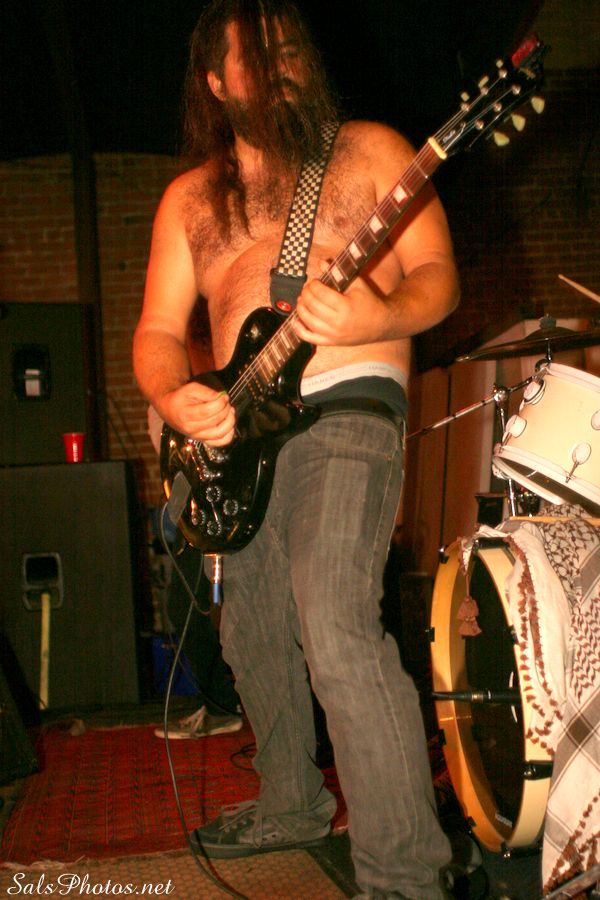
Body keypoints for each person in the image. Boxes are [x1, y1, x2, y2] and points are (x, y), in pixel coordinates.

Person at [133, 1, 460, 897]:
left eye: (289, 46)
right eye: (257, 52)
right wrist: (175, 394)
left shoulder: (370, 151)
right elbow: (157, 331)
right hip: (239, 440)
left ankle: (405, 877)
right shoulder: (188, 201)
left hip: (349, 404)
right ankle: (288, 804)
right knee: (252, 630)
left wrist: (373, 314)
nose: (280, 61)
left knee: (336, 621)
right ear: (215, 79)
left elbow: (439, 277)